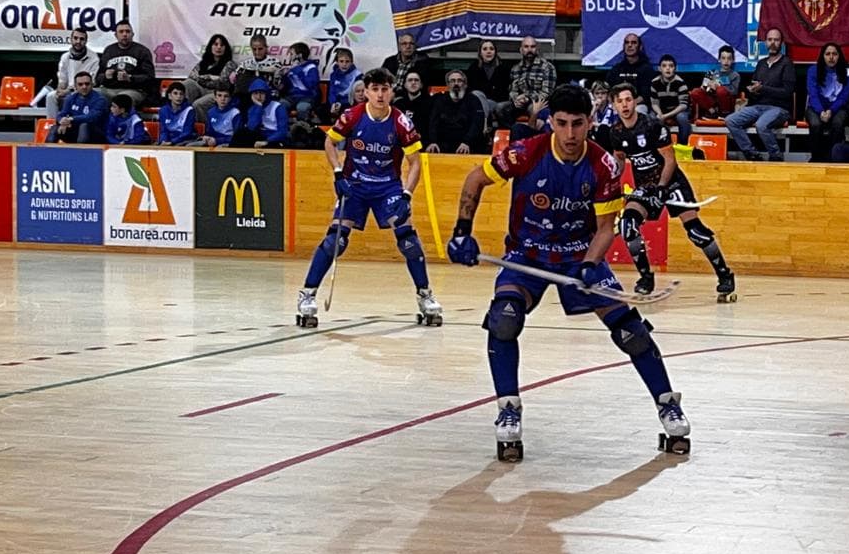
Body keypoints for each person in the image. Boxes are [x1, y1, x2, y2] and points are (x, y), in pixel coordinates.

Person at [447, 82, 693, 460]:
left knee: (631, 330)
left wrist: (591, 265)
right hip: (526, 256)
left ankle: (668, 405)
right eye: (561, 124)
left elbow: (606, 228)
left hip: (579, 255)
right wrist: (462, 231)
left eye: (578, 124)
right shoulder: (525, 152)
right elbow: (475, 179)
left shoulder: (602, 165)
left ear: (590, 122)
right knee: (504, 319)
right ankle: (508, 410)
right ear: (551, 122)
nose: (570, 134)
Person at [295, 68, 443, 328]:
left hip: (388, 187)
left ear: (392, 91)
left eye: (385, 89)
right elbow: (330, 142)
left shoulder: (401, 122)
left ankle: (425, 296)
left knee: (409, 241)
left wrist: (407, 195)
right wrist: (338, 174)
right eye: (375, 89)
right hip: (355, 186)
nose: (380, 95)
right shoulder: (353, 115)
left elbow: (415, 163)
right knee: (335, 241)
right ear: (366, 92)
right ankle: (307, 295)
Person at [602, 82, 738, 301]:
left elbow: (669, 159)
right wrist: (610, 183)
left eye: (628, 100)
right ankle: (646, 278)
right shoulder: (616, 132)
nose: (624, 105)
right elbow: (619, 160)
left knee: (696, 231)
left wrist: (662, 188)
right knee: (628, 225)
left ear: (635, 101)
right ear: (614, 105)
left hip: (672, 182)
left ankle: (725, 275)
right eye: (619, 101)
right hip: (645, 186)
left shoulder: (652, 125)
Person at [726, 28, 793, 160]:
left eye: (776, 40)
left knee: (761, 125)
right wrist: (753, 91)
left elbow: (787, 92)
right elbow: (756, 90)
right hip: (758, 106)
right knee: (731, 120)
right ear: (765, 42)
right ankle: (752, 154)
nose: (772, 43)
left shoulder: (787, 64)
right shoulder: (761, 64)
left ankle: (776, 157)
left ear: (781, 43)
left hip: (779, 108)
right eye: (770, 40)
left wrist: (762, 88)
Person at [806, 42, 849, 161]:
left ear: (839, 56)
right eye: (827, 54)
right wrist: (821, 111)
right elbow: (813, 95)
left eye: (834, 54)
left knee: (838, 123)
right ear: (823, 56)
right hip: (816, 108)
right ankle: (816, 158)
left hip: (838, 108)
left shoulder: (848, 72)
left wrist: (831, 111)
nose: (831, 57)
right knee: (816, 124)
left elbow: (844, 97)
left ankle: (833, 158)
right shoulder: (813, 70)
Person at [97, 20, 156, 111]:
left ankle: (121, 120)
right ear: (116, 35)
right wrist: (105, 76)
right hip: (109, 89)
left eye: (127, 31)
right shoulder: (109, 50)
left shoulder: (142, 51)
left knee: (122, 99)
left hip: (134, 90)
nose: (124, 34)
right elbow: (98, 77)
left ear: (132, 34)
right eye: (121, 32)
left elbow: (150, 78)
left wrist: (130, 78)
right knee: (92, 94)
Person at [46, 71, 110, 143]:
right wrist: (62, 121)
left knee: (84, 126)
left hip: (96, 134)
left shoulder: (100, 99)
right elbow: (62, 114)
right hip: (75, 131)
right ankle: (46, 149)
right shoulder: (70, 98)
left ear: (92, 84)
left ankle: (81, 150)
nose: (84, 87)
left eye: (87, 84)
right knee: (54, 128)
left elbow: (92, 117)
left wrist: (71, 119)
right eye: (80, 84)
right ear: (75, 86)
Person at [691, 45, 742, 121]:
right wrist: (707, 86)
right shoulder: (712, 73)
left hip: (727, 104)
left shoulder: (735, 75)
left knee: (720, 90)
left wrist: (719, 85)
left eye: (729, 58)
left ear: (733, 60)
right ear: (719, 59)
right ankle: (712, 113)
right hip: (713, 103)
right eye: (723, 58)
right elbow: (703, 88)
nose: (726, 61)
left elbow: (734, 92)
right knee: (695, 92)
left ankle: (724, 114)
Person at [649, 55, 690, 144]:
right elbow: (654, 103)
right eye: (664, 66)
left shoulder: (680, 83)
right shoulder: (654, 82)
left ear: (675, 68)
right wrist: (660, 114)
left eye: (671, 66)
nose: (668, 68)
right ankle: (655, 144)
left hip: (677, 110)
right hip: (662, 110)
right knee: (651, 117)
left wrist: (666, 116)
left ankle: (682, 144)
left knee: (682, 117)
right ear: (659, 68)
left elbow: (683, 105)